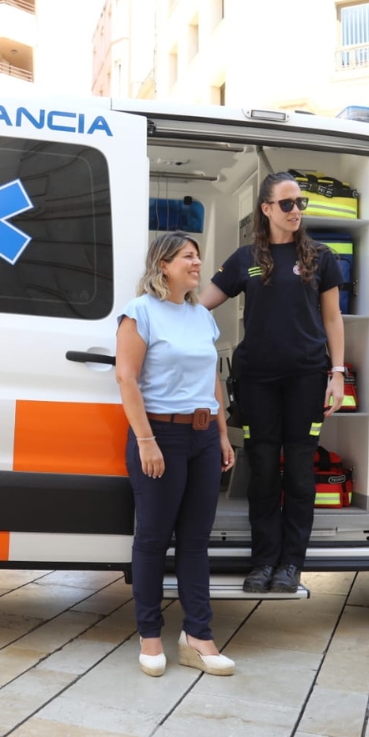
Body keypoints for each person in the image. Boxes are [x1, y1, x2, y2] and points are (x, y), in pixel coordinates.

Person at [201, 171, 346, 594]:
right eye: (286, 203)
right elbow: (201, 305)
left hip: (306, 377)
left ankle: (291, 564)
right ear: (266, 209)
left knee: (299, 472)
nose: (296, 210)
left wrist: (337, 374)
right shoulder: (246, 257)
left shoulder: (320, 256)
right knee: (263, 470)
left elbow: (332, 318)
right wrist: (155, 311)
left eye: (300, 202)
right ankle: (263, 561)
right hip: (257, 380)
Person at [116, 231, 236, 678]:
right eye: (188, 256)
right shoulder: (140, 312)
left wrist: (222, 434)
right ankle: (150, 635)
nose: (197, 263)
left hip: (202, 437)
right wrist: (146, 441)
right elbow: (126, 378)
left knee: (195, 540)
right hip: (160, 435)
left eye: (198, 256)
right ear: (163, 264)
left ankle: (197, 637)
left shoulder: (200, 316)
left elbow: (212, 379)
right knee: (152, 539)